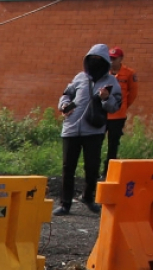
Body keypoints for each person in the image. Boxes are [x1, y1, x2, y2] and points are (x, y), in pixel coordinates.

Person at [55, 44, 122, 216]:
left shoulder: (111, 81)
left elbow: (115, 107)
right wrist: (63, 104)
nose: (95, 63)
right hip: (71, 128)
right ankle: (65, 203)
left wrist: (106, 99)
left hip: (94, 130)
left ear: (106, 62)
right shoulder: (79, 77)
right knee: (68, 167)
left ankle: (88, 197)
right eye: (92, 59)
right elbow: (66, 94)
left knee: (92, 167)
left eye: (99, 60)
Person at [103, 47, 139, 177]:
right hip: (102, 114)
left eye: (114, 59)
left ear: (120, 59)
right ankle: (93, 170)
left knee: (113, 144)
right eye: (110, 58)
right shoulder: (103, 72)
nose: (111, 61)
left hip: (118, 116)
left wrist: (123, 106)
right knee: (95, 143)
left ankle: (108, 171)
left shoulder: (129, 73)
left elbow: (133, 93)